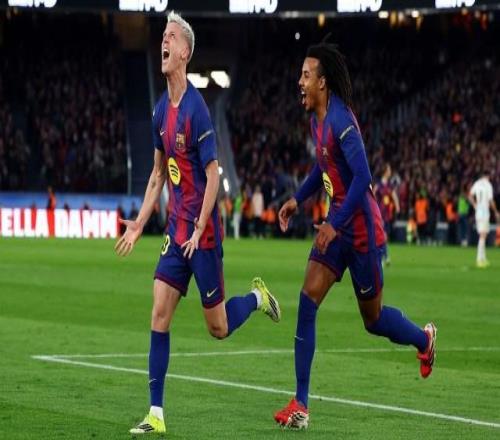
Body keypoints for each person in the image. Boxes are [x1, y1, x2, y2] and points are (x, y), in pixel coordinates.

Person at [114, 12, 280, 435]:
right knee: (159, 313)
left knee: (218, 328)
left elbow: (212, 176)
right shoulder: (159, 111)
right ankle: (156, 414)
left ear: (185, 52)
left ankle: (257, 298)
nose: (164, 43)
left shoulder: (196, 110)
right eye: (163, 37)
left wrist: (201, 226)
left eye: (171, 37)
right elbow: (157, 174)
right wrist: (140, 222)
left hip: (201, 234)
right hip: (176, 232)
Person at [273, 40, 436, 429]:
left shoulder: (341, 121)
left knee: (373, 320)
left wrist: (335, 223)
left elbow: (363, 178)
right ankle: (301, 404)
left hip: (361, 232)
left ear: (322, 82)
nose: (300, 82)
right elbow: (322, 167)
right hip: (336, 229)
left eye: (306, 76)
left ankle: (424, 340)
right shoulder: (317, 120)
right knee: (307, 300)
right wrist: (297, 199)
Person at [468, 171, 499, 267]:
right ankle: (479, 259)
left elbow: (470, 196)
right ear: (487, 176)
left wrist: (475, 205)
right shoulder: (488, 185)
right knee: (483, 235)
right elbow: (490, 200)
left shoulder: (477, 183)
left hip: (478, 211)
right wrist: (496, 211)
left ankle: (483, 258)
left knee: (483, 235)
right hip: (484, 212)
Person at [374, 164, 400, 265]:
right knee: (383, 236)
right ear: (385, 171)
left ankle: (383, 256)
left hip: (387, 215)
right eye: (389, 169)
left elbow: (394, 196)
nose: (390, 171)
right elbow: (372, 195)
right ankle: (384, 257)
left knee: (384, 237)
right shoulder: (378, 184)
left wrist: (397, 206)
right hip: (380, 214)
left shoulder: (390, 185)